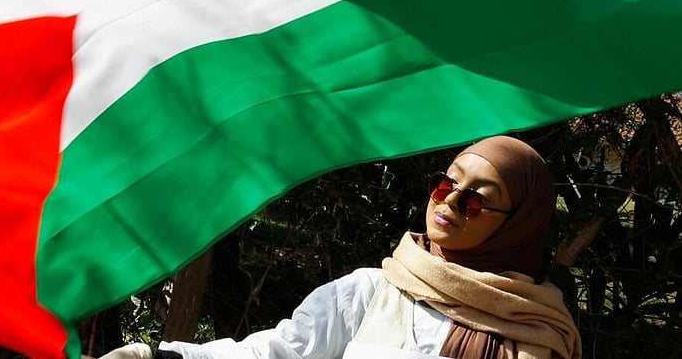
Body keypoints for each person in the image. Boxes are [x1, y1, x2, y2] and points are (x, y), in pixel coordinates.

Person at [96, 136, 582, 359]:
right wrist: (161, 358)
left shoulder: (536, 329)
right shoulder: (370, 294)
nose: (450, 202)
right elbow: (278, 353)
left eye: (477, 200)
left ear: (515, 225)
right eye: (444, 183)